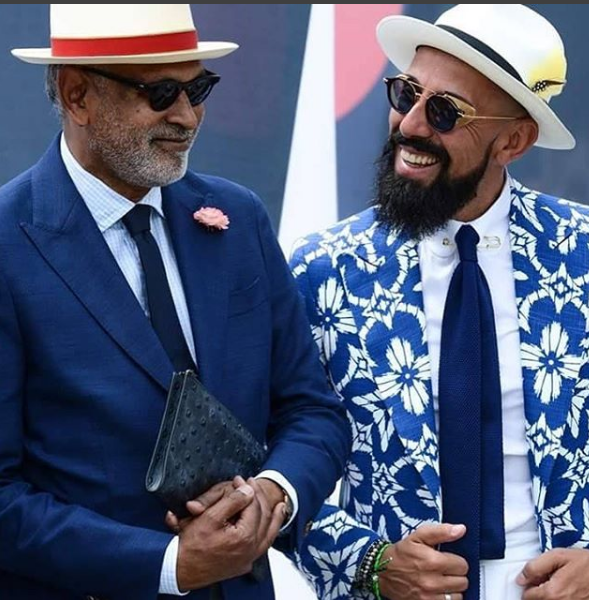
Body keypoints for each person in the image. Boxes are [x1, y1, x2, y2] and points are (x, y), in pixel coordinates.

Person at [0, 4, 351, 600]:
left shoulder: (238, 217)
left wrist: (271, 495)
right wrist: (170, 565)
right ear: (78, 95)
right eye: (161, 92)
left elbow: (312, 410)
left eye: (198, 88)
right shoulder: (10, 244)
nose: (187, 116)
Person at [290, 4, 589, 600]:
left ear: (514, 141)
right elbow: (264, 462)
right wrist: (369, 564)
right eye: (406, 94)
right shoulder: (323, 268)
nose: (411, 125)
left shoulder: (580, 253)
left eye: (445, 111)